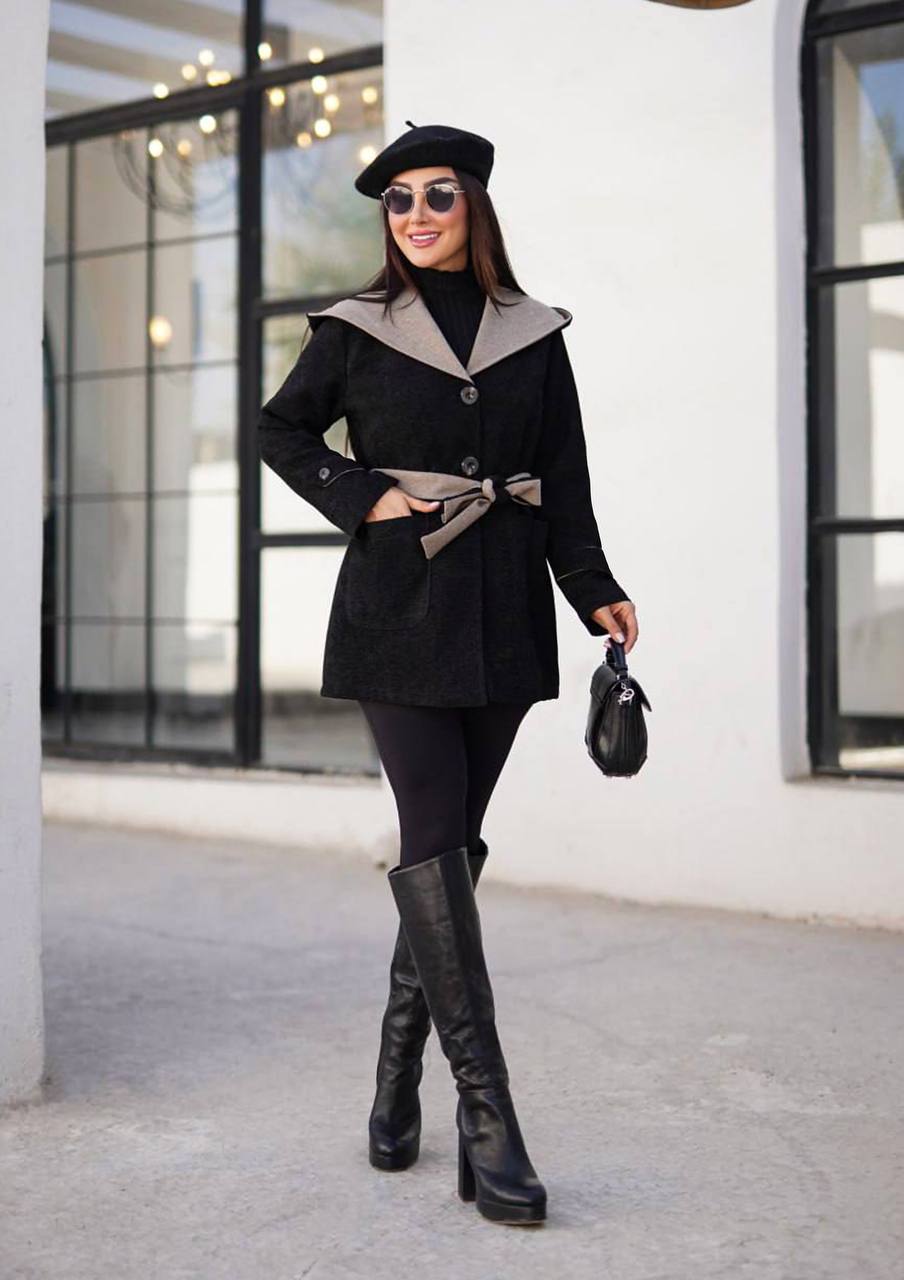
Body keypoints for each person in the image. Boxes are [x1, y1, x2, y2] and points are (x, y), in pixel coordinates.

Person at [257, 121, 638, 1227]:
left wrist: (593, 585)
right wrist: (362, 495)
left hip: (508, 613)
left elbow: (563, 473)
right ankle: (489, 1115)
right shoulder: (355, 327)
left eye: (437, 195)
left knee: (450, 848)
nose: (417, 214)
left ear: (474, 204)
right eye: (398, 200)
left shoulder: (535, 332)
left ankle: (394, 1078)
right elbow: (282, 431)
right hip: (397, 609)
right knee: (432, 833)